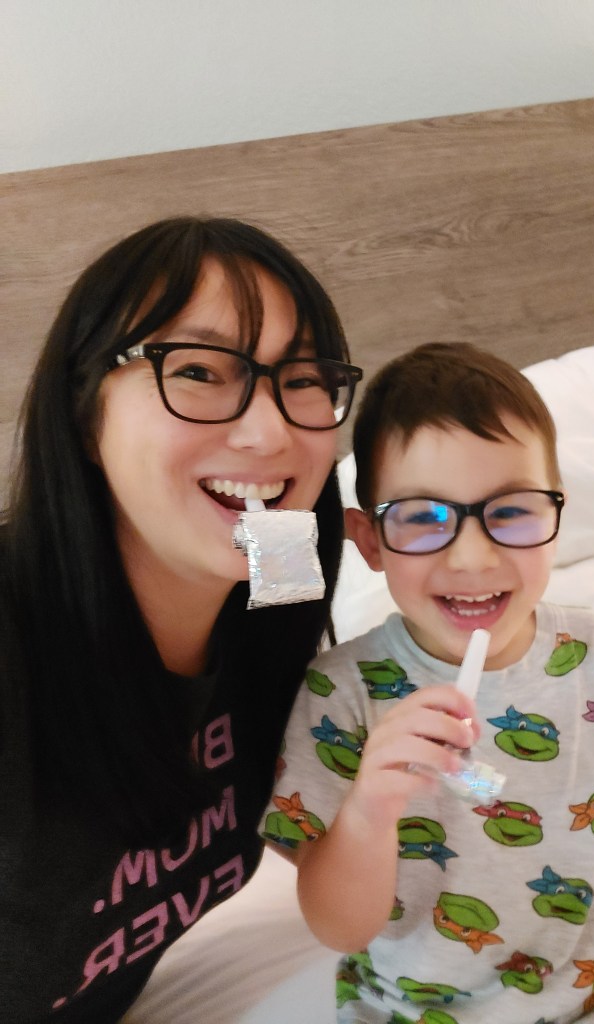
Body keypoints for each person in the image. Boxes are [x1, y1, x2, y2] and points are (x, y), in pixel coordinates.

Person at [260, 342, 594, 1024]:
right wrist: (369, 813)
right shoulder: (340, 697)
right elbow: (338, 928)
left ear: (557, 517)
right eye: (423, 518)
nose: (473, 557)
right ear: (370, 540)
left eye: (511, 512)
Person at [0, 216, 362, 1024]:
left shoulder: (275, 605)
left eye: (305, 379)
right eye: (198, 370)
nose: (269, 432)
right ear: (84, 413)